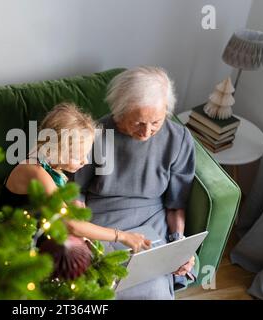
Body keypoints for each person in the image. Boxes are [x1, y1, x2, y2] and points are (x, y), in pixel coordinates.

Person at [71, 66, 196, 299]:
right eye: (138, 122)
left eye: (156, 122)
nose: (147, 131)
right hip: (104, 220)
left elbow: (176, 204)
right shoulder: (96, 134)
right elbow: (76, 192)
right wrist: (82, 234)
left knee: (154, 289)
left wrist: (178, 244)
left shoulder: (178, 139)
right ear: (120, 112)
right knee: (102, 286)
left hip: (151, 221)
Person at [0, 102, 151, 253]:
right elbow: (71, 225)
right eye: (79, 156)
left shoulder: (52, 166)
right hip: (21, 248)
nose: (85, 161)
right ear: (57, 149)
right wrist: (122, 236)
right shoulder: (36, 172)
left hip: (45, 238)